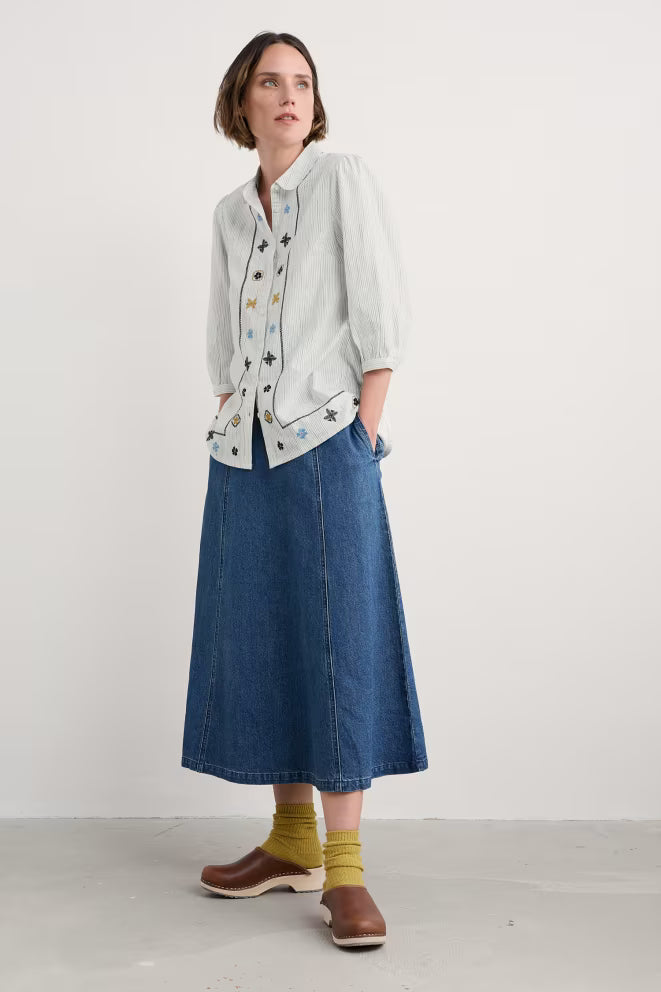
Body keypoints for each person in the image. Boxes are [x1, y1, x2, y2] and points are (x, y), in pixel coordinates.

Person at [180, 30, 429, 948]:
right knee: (263, 636)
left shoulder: (341, 181)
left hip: (327, 442)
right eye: (269, 82)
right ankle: (290, 843)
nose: (288, 96)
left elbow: (380, 320)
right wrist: (230, 417)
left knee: (337, 643)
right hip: (241, 451)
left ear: (313, 104)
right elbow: (224, 345)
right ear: (240, 102)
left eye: (302, 83)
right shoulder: (228, 214)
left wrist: (362, 430)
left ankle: (346, 870)